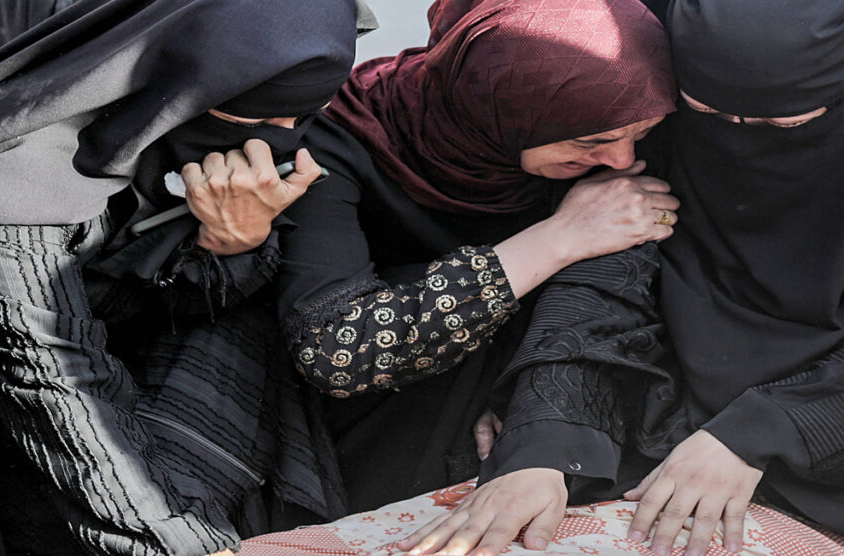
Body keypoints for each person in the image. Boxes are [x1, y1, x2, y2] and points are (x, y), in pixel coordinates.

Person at [401, 0, 844, 556]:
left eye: (783, 121)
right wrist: (550, 439)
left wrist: (762, 432)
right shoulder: (669, 93)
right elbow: (618, 254)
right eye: (713, 115)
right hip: (663, 387)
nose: (742, 135)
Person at [0, 0, 365, 556]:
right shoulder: (14, 183)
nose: (280, 142)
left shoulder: (175, 126)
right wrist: (189, 552)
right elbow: (52, 374)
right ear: (179, 82)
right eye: (259, 118)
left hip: (107, 366)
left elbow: (169, 305)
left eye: (306, 115)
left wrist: (230, 243)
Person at [269, 0, 680, 512]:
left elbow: (614, 293)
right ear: (502, 108)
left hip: (515, 412)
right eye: (593, 139)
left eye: (641, 133)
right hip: (359, 434)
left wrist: (526, 404)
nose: (621, 160)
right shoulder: (335, 142)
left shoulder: (603, 123)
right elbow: (336, 351)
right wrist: (560, 238)